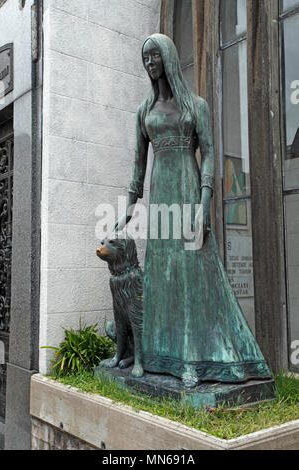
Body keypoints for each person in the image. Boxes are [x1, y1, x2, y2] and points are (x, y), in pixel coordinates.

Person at [114, 33, 272, 388]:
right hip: (160, 195)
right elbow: (138, 164)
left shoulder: (195, 105)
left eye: (155, 57)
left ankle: (193, 357)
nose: (150, 64)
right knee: (161, 272)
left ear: (167, 57)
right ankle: (158, 354)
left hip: (187, 189)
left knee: (189, 272)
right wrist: (129, 206)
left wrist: (203, 204)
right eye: (146, 59)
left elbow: (211, 155)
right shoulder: (144, 111)